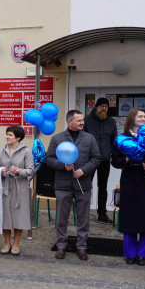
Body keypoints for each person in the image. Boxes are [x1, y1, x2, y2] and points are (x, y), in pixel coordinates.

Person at [111, 107, 145, 266]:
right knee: (130, 218)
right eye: (140, 116)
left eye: (144, 116)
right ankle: (130, 253)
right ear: (132, 118)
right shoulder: (122, 138)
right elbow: (115, 162)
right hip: (130, 182)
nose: (143, 118)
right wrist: (128, 158)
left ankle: (143, 253)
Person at [45, 109, 102, 260]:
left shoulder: (90, 138)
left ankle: (81, 246)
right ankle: (61, 245)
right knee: (62, 218)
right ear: (69, 122)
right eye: (79, 120)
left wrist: (84, 170)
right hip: (63, 184)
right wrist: (63, 166)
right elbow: (49, 159)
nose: (82, 122)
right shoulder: (57, 139)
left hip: (83, 184)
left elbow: (97, 158)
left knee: (83, 218)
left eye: (83, 120)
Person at [0, 126, 33, 254]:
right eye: (7, 134)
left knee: (19, 216)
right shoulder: (2, 151)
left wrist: (19, 172)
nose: (7, 137)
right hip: (5, 187)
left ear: (18, 137)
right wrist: (2, 171)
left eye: (10, 135)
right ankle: (7, 244)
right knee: (5, 216)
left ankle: (16, 244)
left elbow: (30, 170)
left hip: (19, 187)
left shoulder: (26, 151)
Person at [85, 97, 117, 223]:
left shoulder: (111, 122)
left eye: (106, 106)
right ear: (96, 107)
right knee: (87, 186)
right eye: (102, 106)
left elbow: (114, 140)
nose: (104, 108)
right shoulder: (87, 121)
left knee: (102, 187)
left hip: (104, 159)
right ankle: (84, 212)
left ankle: (102, 214)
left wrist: (113, 155)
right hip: (90, 159)